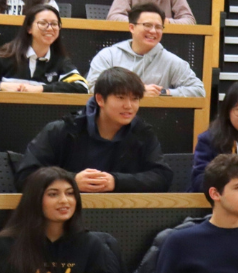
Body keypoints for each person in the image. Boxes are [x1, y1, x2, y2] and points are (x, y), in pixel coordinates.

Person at [16, 67, 171, 192]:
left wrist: (116, 182)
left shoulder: (142, 133)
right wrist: (71, 181)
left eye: (135, 99)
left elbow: (162, 177)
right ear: (100, 99)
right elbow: (26, 176)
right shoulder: (62, 130)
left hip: (121, 214)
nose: (129, 106)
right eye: (121, 97)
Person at [0, 168, 126, 273]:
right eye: (53, 194)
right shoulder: (7, 245)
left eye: (70, 193)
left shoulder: (92, 245)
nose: (64, 200)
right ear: (35, 199)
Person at [87, 4, 204, 96]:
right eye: (147, 25)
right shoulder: (108, 55)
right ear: (132, 28)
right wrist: (136, 92)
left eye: (158, 27)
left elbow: (198, 91)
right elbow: (93, 87)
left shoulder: (172, 61)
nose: (153, 31)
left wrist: (163, 92)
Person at [0, 6, 85, 93]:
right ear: (29, 28)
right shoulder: (6, 55)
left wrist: (41, 89)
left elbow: (82, 86)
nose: (50, 28)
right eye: (43, 23)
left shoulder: (60, 61)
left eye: (54, 24)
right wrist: (2, 86)